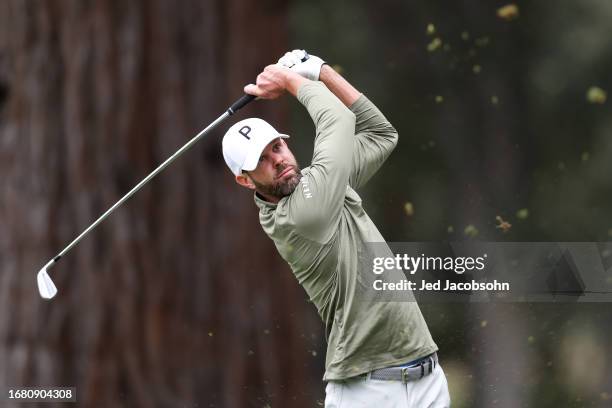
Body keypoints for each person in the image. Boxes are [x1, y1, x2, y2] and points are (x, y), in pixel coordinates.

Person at [222, 50, 451, 407]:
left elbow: (380, 134)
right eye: (261, 161)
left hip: (427, 376)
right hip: (366, 389)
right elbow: (339, 122)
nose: (278, 161)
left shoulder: (320, 184)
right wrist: (292, 81)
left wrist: (320, 71)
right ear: (245, 180)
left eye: (277, 147)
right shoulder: (298, 217)